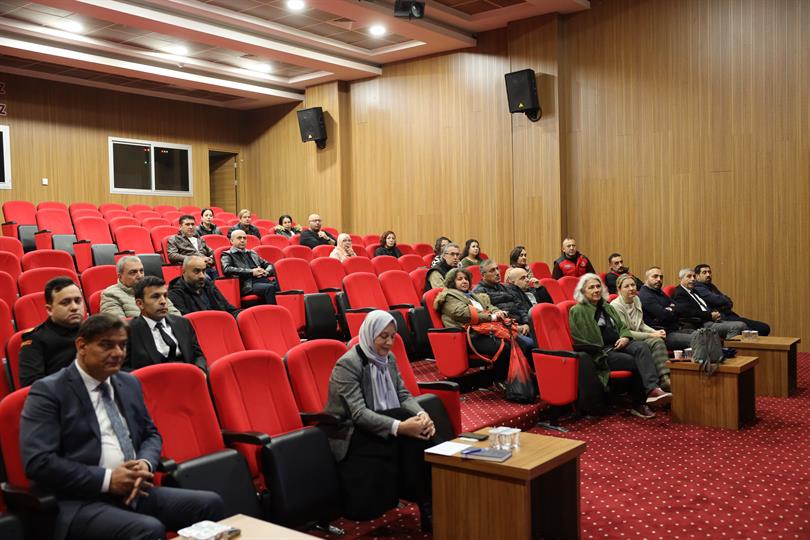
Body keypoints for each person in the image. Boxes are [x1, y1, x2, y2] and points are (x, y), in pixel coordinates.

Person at [20, 314, 224, 540]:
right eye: (107, 345)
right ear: (82, 346)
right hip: (83, 501)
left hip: (135, 490)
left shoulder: (128, 382)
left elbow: (151, 434)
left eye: (123, 345)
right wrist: (108, 480)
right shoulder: (49, 391)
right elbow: (39, 462)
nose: (118, 353)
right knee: (148, 529)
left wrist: (145, 463)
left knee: (209, 504)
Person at [320, 311, 442, 531]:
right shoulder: (348, 364)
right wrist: (401, 427)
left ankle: (429, 504)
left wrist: (422, 415)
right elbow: (358, 413)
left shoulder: (389, 358)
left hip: (382, 422)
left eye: (392, 336)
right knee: (410, 431)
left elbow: (402, 394)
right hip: (349, 432)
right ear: (370, 334)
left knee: (416, 430)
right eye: (383, 336)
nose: (389, 342)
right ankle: (429, 505)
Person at [569, 274, 670, 419]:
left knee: (642, 347)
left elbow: (622, 327)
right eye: (591, 287)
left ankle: (653, 389)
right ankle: (639, 403)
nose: (596, 290)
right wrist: (602, 348)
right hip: (602, 352)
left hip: (619, 344)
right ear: (583, 291)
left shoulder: (606, 306)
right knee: (636, 361)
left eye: (598, 286)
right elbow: (580, 337)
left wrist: (625, 337)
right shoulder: (578, 310)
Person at [434, 268, 513, 383]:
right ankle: (500, 379)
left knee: (517, 341)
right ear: (452, 282)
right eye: (460, 279)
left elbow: (488, 306)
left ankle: (515, 378)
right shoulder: (448, 297)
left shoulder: (471, 295)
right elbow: (465, 314)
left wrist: (497, 312)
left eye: (466, 279)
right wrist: (491, 317)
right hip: (468, 336)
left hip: (485, 331)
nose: (464, 281)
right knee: (505, 347)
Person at [125, 276, 207, 372]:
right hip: (153, 379)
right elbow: (123, 369)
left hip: (188, 376)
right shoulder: (129, 331)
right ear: (140, 304)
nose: (163, 301)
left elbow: (198, 355)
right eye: (155, 297)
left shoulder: (183, 323)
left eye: (165, 296)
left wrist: (200, 371)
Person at [19, 277, 85, 387]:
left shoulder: (93, 330)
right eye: (65, 303)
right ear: (49, 310)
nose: (74, 307)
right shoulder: (35, 339)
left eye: (78, 301)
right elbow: (32, 384)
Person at [610, 274, 671, 391]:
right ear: (619, 289)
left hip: (639, 336)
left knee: (658, 340)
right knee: (652, 342)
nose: (631, 288)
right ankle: (658, 383)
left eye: (633, 285)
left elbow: (641, 324)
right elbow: (626, 332)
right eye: (626, 286)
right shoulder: (615, 305)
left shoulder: (636, 299)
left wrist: (655, 331)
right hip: (625, 340)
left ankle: (665, 379)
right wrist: (651, 335)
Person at [474, 261, 536, 352]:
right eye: (492, 270)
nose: (497, 273)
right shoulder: (479, 292)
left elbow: (520, 307)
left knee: (543, 338)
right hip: (505, 329)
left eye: (497, 269)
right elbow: (489, 316)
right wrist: (514, 327)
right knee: (530, 344)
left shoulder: (507, 287)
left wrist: (526, 323)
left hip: (521, 325)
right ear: (483, 276)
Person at [694, 264, 770, 336]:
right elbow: (717, 300)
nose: (708, 275)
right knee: (760, 329)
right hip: (721, 319)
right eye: (704, 272)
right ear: (697, 276)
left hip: (729, 315)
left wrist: (725, 301)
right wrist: (725, 301)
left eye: (709, 272)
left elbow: (727, 301)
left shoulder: (711, 286)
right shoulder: (698, 288)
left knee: (764, 327)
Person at [672, 268, 747, 338]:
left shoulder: (694, 291)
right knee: (738, 326)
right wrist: (710, 315)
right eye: (689, 276)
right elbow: (688, 312)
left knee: (744, 325)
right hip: (701, 323)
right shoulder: (679, 293)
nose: (693, 279)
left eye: (694, 276)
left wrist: (715, 313)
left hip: (711, 319)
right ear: (681, 279)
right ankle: (727, 347)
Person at [100, 256, 181, 318]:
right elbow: (118, 327)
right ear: (120, 276)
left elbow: (176, 316)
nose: (139, 276)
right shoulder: (110, 294)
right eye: (133, 272)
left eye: (141, 271)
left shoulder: (154, 289)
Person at [637, 266, 695, 350]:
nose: (659, 279)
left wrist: (670, 310)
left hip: (675, 329)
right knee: (698, 340)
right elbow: (664, 315)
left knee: (704, 335)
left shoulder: (658, 292)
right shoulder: (645, 295)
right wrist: (671, 309)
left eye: (661, 277)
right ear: (646, 279)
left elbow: (680, 308)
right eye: (655, 276)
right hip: (663, 334)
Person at [168, 256, 241, 318]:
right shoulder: (175, 293)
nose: (202, 276)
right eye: (196, 271)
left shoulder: (208, 285)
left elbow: (229, 309)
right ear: (184, 271)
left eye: (203, 271)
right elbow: (185, 323)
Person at [221, 229, 278, 305]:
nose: (242, 240)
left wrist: (266, 272)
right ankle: (273, 311)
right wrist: (251, 272)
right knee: (269, 288)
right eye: (239, 238)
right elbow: (227, 269)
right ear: (231, 241)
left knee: (280, 285)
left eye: (244, 238)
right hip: (247, 284)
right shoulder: (227, 254)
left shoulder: (252, 253)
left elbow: (269, 265)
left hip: (262, 279)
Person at [166, 215, 217, 279]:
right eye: (187, 224)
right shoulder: (174, 239)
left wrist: (211, 259)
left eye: (192, 224)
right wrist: (196, 259)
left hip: (207, 267)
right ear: (180, 226)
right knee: (206, 279)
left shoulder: (199, 239)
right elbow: (172, 255)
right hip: (192, 269)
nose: (191, 227)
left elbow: (212, 252)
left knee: (221, 277)